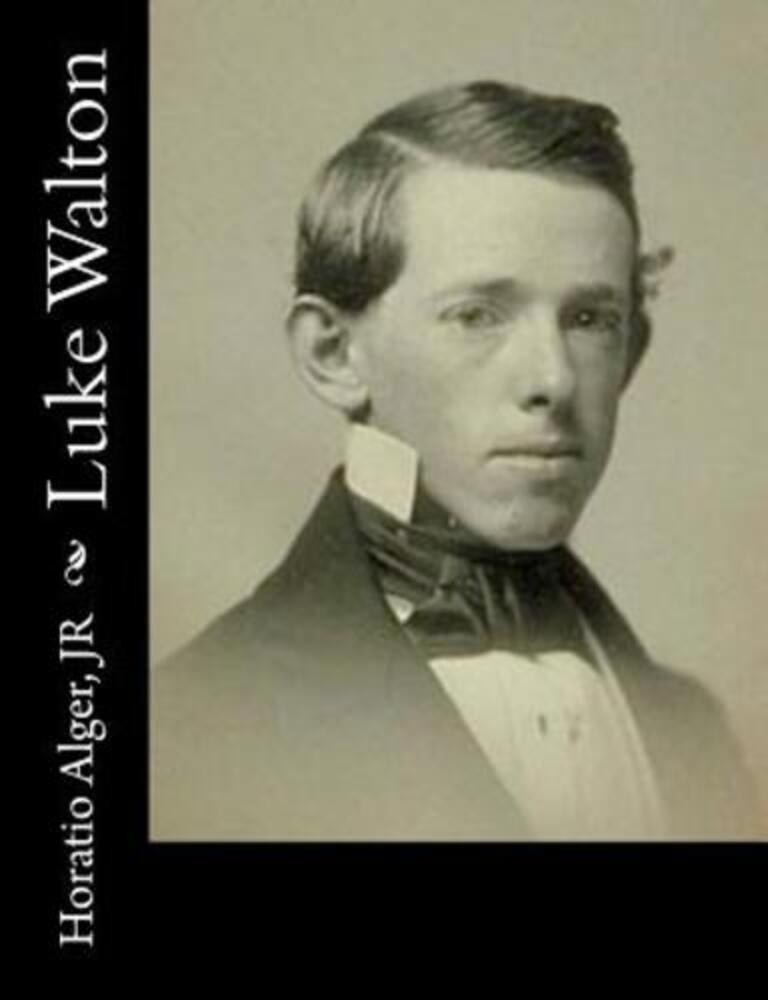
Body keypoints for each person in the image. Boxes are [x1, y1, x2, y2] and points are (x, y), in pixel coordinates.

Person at [151, 81, 759, 841]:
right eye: (476, 315)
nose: (553, 379)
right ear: (333, 354)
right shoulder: (187, 734)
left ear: (633, 351)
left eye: (589, 319)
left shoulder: (696, 734)